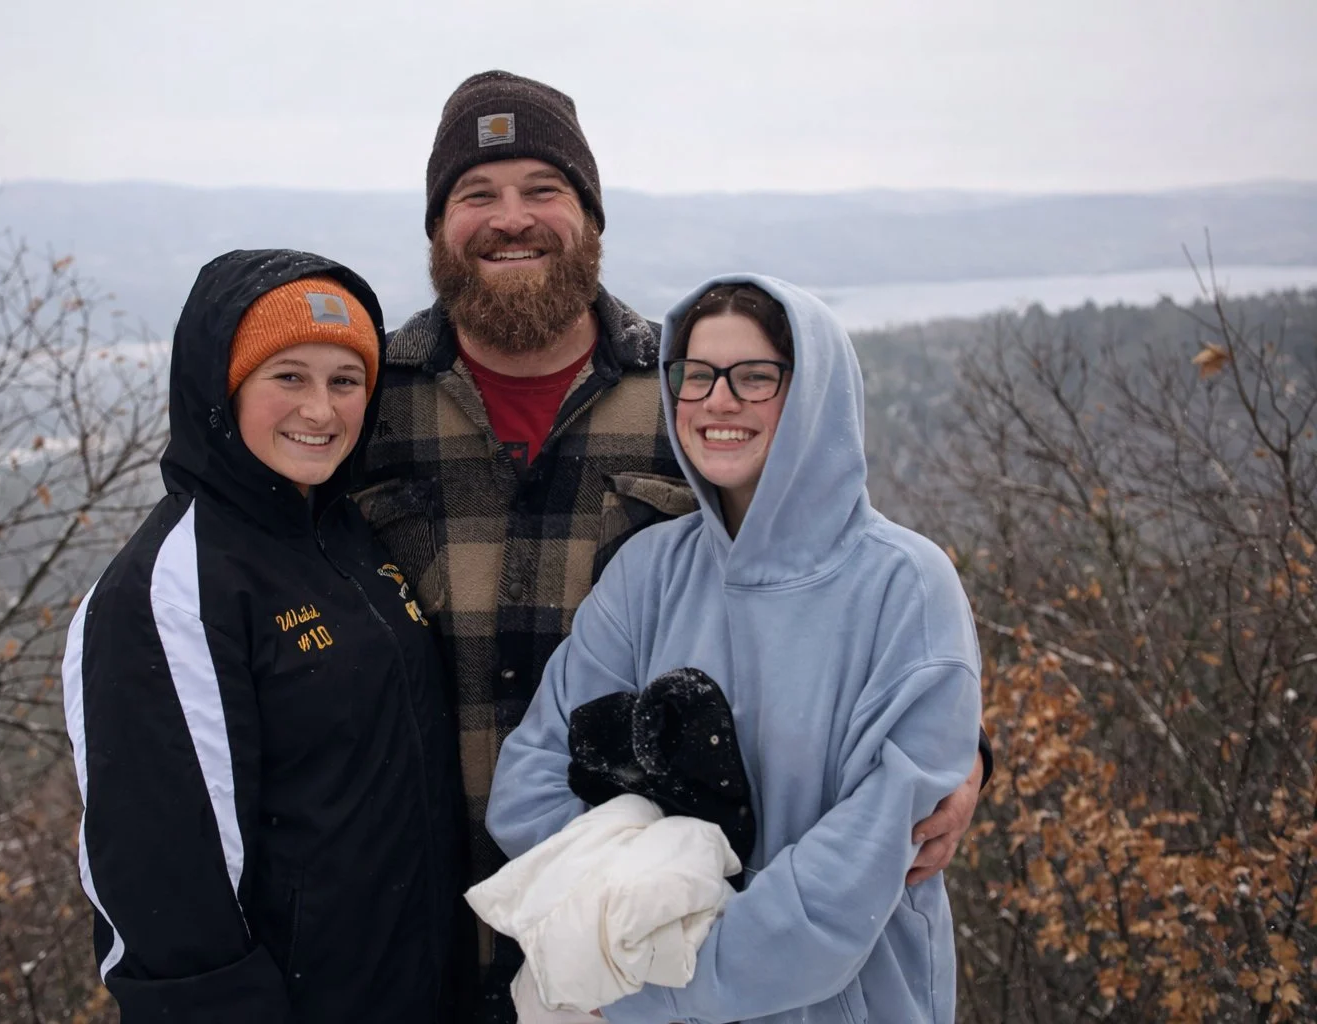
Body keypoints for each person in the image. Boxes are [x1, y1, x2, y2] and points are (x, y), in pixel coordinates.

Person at [356, 70, 990, 1020]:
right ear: (438, 227)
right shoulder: (359, 408)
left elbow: (841, 583)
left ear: (592, 217)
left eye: (543, 190)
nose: (510, 218)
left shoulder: (684, 389)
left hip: (647, 945)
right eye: (476, 195)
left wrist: (954, 758)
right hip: (424, 920)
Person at [488, 276, 983, 1023]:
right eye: (697, 376)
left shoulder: (904, 586)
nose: (720, 401)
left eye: (756, 377)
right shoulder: (650, 572)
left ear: (814, 395)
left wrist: (646, 985)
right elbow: (530, 788)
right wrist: (625, 931)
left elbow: (850, 876)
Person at [61, 250, 462, 1023]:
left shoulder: (343, 536)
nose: (320, 409)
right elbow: (163, 877)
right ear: (223, 388)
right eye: (288, 376)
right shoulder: (172, 589)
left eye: (345, 381)